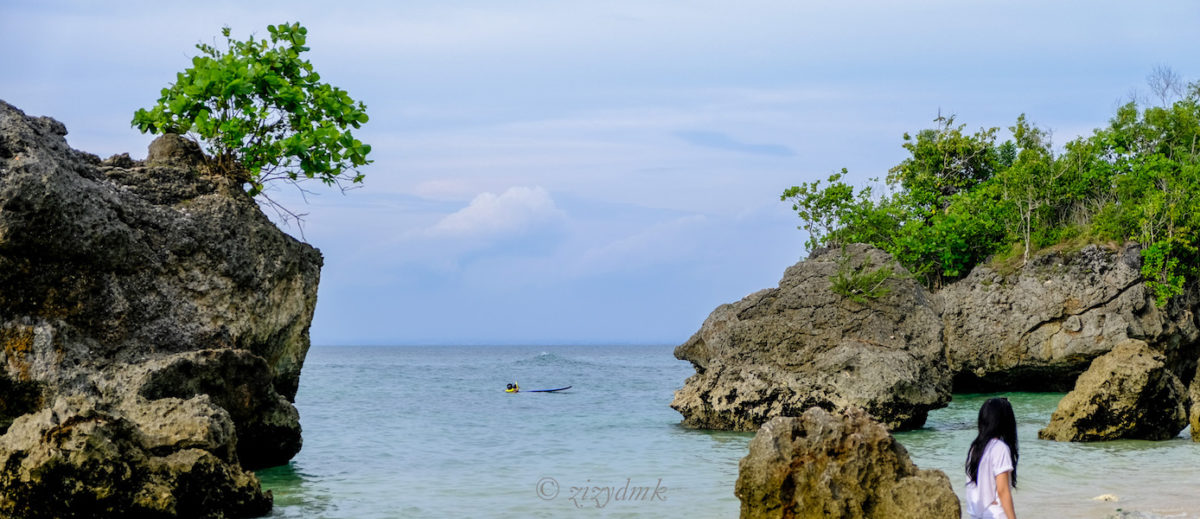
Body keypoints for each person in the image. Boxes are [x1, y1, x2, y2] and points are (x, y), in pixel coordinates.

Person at [964, 397, 1018, 519]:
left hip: (976, 514)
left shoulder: (974, 448)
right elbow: (1002, 490)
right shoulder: (1000, 448)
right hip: (996, 515)